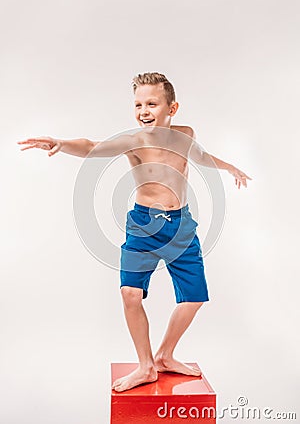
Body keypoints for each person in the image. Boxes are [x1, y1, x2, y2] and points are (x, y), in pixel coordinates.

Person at [17, 72, 252, 392]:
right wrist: (62, 143)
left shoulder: (186, 134)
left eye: (152, 103)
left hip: (181, 225)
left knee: (195, 297)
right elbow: (92, 147)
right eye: (138, 104)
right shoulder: (134, 140)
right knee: (130, 293)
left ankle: (165, 355)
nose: (143, 110)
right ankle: (145, 366)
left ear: (172, 108)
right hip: (144, 225)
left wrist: (229, 168)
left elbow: (200, 156)